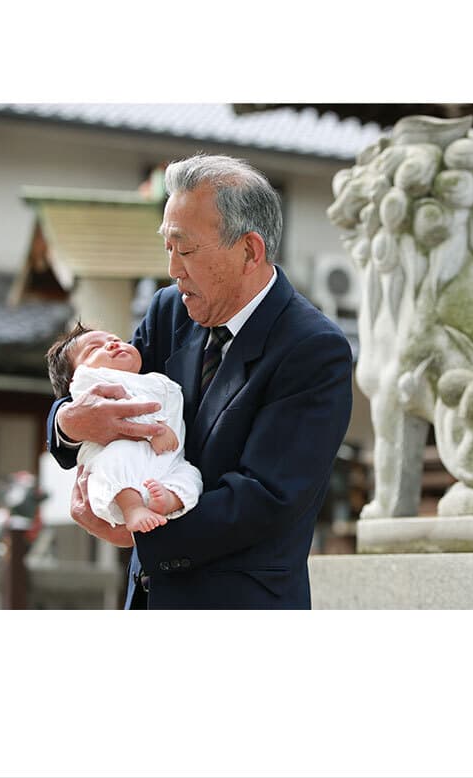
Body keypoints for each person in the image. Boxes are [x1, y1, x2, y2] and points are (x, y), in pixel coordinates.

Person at [47, 153, 354, 609]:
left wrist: (138, 530)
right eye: (167, 247)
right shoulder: (169, 310)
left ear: (249, 251)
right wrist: (69, 424)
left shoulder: (313, 349)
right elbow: (101, 384)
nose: (173, 269)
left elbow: (264, 498)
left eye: (185, 249)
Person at [46, 322, 203, 533]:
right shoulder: (90, 381)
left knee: (191, 475)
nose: (112, 344)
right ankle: (132, 507)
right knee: (117, 458)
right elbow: (121, 409)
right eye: (94, 349)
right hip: (122, 455)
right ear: (76, 375)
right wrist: (154, 430)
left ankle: (168, 500)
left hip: (166, 461)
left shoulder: (154, 380)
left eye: (116, 340)